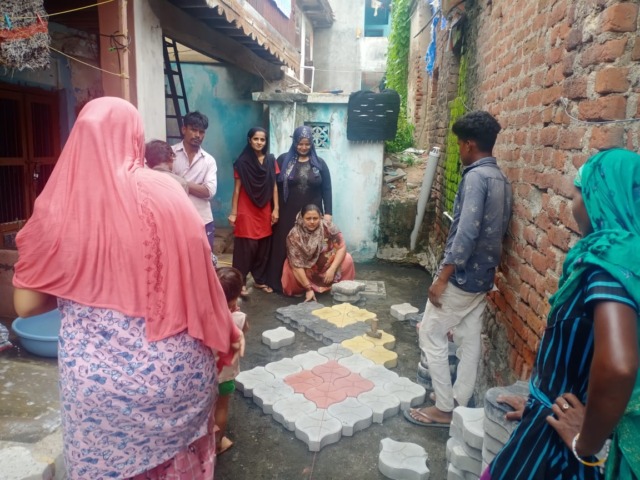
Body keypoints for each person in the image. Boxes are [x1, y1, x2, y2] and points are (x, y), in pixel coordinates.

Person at [12, 97, 243, 480]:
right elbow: (202, 280)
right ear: (135, 140)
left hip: (97, 395)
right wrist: (229, 329)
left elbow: (25, 305)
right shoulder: (167, 191)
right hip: (176, 379)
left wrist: (80, 278)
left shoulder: (62, 205)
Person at [482, 149, 640, 480]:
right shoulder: (629, 261)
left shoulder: (608, 263)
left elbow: (619, 366)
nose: (573, 204)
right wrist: (540, 406)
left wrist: (585, 441)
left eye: (577, 193)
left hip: (556, 452)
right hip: (551, 418)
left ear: (598, 197)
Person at [406, 110, 512, 427]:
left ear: (468, 144)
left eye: (458, 144)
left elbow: (465, 233)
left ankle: (444, 407)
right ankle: (459, 402)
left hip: (462, 277)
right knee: (468, 338)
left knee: (430, 333)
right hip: (483, 276)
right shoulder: (500, 179)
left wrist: (442, 278)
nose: (458, 150)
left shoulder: (476, 178)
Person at [265, 125, 332, 292]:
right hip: (287, 211)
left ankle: (307, 284)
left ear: (312, 144)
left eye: (307, 144)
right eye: (300, 143)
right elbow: (274, 187)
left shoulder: (319, 164)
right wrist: (275, 209)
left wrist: (328, 213)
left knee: (309, 247)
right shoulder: (283, 161)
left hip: (312, 214)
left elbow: (327, 189)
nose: (303, 147)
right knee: (283, 244)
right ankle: (279, 282)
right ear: (294, 142)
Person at [228, 127, 279, 296]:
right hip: (246, 207)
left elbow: (274, 187)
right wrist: (233, 212)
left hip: (265, 208)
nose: (259, 142)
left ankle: (259, 280)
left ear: (266, 142)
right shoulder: (242, 162)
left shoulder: (271, 161)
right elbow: (237, 189)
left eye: (262, 139)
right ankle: (240, 282)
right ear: (249, 140)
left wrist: (276, 209)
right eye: (256, 139)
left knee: (263, 246)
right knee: (246, 247)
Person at [282, 204, 355, 302]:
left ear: (320, 217)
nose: (312, 222)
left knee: (347, 259)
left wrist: (332, 269)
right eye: (308, 218)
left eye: (315, 218)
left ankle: (339, 288)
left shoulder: (328, 226)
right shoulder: (294, 235)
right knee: (289, 265)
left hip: (327, 267)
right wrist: (308, 289)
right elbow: (296, 265)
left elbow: (341, 247)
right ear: (302, 218)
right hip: (306, 270)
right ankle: (305, 289)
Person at [214, 267, 249, 455]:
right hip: (226, 376)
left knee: (206, 409)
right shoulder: (239, 317)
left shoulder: (205, 316)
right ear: (237, 295)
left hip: (205, 375)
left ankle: (202, 443)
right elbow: (245, 330)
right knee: (221, 407)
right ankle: (218, 444)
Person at [172, 111, 218, 251]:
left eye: (201, 132)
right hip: (175, 219)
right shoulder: (170, 154)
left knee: (205, 260)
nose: (198, 135)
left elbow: (209, 192)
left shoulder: (209, 160)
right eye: (193, 130)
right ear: (184, 129)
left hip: (202, 220)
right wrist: (196, 187)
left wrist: (178, 182)